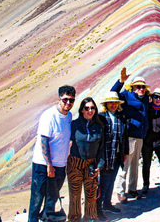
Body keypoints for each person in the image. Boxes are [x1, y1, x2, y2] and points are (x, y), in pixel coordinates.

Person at [28, 85, 75, 222]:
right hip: (43, 164)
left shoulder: (69, 116)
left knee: (52, 198)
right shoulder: (49, 115)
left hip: (60, 164)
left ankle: (46, 219)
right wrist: (49, 165)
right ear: (59, 99)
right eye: (65, 99)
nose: (68, 103)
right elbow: (44, 140)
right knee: (37, 197)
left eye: (71, 100)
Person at [111, 67, 150, 201]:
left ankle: (132, 189)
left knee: (135, 165)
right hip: (129, 136)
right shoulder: (127, 96)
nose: (141, 89)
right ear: (133, 87)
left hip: (140, 136)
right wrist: (120, 81)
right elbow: (112, 94)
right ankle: (120, 191)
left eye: (143, 87)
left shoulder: (146, 98)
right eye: (138, 87)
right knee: (125, 164)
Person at [67, 97, 105, 222]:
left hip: (91, 164)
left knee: (91, 193)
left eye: (92, 108)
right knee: (75, 195)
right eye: (86, 108)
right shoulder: (74, 125)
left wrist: (99, 165)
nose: (90, 110)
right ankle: (74, 219)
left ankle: (90, 217)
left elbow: (101, 148)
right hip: (75, 163)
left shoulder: (99, 127)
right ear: (82, 110)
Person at [97, 92, 129, 221]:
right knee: (103, 183)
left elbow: (124, 137)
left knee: (111, 181)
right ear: (106, 104)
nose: (114, 105)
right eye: (111, 102)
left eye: (116, 102)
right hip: (105, 156)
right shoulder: (101, 117)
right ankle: (98, 208)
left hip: (116, 155)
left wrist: (125, 152)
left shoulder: (121, 117)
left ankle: (107, 204)